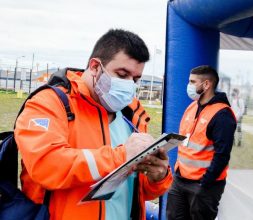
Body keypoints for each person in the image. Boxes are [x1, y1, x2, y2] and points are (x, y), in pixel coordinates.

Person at [14, 29, 172, 220]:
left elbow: (134, 192)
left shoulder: (132, 114)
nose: (130, 85)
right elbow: (45, 166)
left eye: (136, 79)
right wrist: (120, 156)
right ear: (95, 66)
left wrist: (158, 177)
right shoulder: (50, 103)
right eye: (122, 74)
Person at [166, 65, 237, 220]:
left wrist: (205, 184)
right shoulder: (192, 107)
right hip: (179, 181)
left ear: (206, 84)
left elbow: (222, 155)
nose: (188, 86)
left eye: (192, 82)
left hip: (203, 185)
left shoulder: (222, 115)